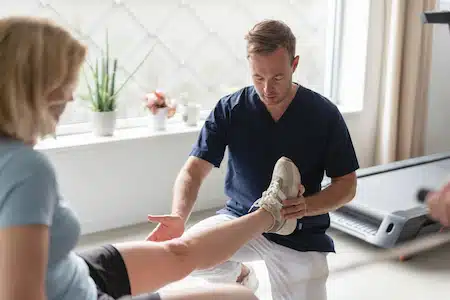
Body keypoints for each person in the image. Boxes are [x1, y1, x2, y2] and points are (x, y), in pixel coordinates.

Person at [0, 16, 306, 300]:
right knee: (241, 297)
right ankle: (272, 212)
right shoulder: (27, 169)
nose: (70, 95)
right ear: (28, 87)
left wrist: (179, 214)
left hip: (70, 270)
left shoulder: (16, 158)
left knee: (180, 251)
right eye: (64, 81)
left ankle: (270, 211)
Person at [147, 19, 359, 300]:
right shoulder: (230, 108)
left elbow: (346, 185)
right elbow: (194, 171)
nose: (267, 88)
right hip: (239, 219)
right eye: (258, 77)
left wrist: (306, 206)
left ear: (294, 65)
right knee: (181, 254)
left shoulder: (324, 114)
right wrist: (178, 215)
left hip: (299, 230)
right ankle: (240, 276)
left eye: (278, 78)